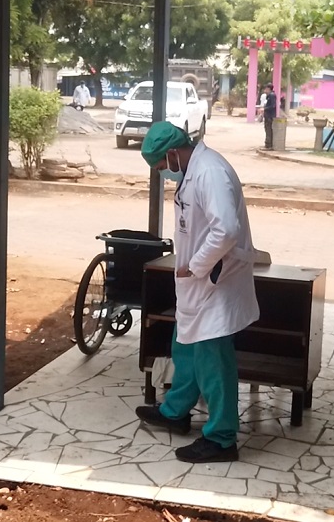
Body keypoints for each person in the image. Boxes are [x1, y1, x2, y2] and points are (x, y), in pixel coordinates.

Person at [134, 122, 259, 463]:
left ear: (173, 152)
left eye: (161, 164)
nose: (162, 171)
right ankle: (175, 411)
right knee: (185, 346)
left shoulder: (210, 172)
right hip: (197, 283)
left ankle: (221, 438)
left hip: (216, 281)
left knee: (212, 359)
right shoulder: (192, 170)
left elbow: (226, 230)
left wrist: (196, 265)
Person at [261, 83, 278, 150]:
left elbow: (273, 105)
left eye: (266, 89)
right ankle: (267, 144)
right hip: (267, 115)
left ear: (268, 89)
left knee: (269, 130)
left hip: (270, 116)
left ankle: (269, 145)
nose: (265, 90)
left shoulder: (272, 95)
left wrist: (265, 109)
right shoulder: (268, 96)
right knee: (267, 129)